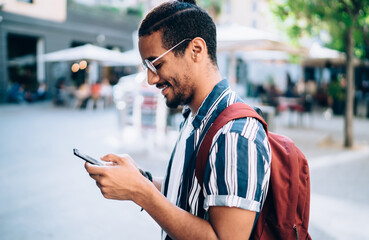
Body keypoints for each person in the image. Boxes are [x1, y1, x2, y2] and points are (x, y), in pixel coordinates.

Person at [84, 1, 271, 239]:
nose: (150, 79)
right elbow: (190, 192)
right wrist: (141, 181)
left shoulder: (236, 133)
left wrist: (141, 193)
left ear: (196, 50)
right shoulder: (193, 117)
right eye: (146, 66)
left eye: (156, 64)